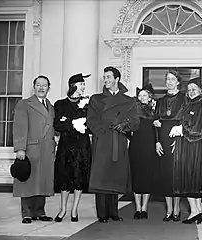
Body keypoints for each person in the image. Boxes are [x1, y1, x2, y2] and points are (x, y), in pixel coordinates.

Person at [87, 66, 140, 223]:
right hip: (103, 140)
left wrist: (124, 126)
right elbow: (91, 119)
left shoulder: (129, 100)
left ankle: (113, 212)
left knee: (115, 176)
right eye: (105, 77)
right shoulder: (96, 99)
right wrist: (102, 132)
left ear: (117, 79)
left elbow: (135, 121)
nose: (106, 80)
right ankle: (102, 213)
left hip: (119, 139)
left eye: (109, 77)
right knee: (102, 176)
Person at [12, 75, 55, 224]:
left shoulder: (51, 106)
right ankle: (27, 213)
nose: (41, 88)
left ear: (49, 88)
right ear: (34, 87)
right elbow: (19, 127)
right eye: (38, 85)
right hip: (31, 149)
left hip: (46, 150)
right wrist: (20, 148)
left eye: (44, 85)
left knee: (42, 181)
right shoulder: (24, 104)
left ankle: (40, 211)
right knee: (27, 181)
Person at [170, 77, 202, 224]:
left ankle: (195, 211)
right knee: (191, 180)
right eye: (189, 90)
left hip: (195, 146)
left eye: (194, 89)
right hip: (187, 145)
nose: (191, 91)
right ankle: (197, 210)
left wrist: (182, 130)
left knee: (191, 179)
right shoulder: (190, 104)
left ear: (201, 90)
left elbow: (198, 129)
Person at [53, 73, 92, 222]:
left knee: (79, 178)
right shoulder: (60, 104)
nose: (83, 87)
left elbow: (91, 125)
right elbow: (58, 125)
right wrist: (72, 124)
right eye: (81, 84)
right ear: (73, 85)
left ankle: (74, 210)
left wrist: (81, 124)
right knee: (65, 178)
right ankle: (63, 209)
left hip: (82, 146)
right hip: (66, 146)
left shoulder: (87, 104)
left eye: (84, 84)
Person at [154, 69, 187, 222]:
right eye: (167, 79)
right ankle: (169, 209)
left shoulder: (184, 98)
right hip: (163, 140)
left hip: (178, 138)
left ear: (178, 82)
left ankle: (177, 208)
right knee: (166, 175)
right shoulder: (160, 101)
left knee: (177, 175)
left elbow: (187, 120)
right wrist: (157, 141)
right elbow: (155, 123)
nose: (169, 82)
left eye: (172, 79)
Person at [128, 83, 158, 220]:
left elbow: (158, 129)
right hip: (136, 146)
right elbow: (127, 128)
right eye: (140, 95)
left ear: (149, 97)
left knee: (147, 176)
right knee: (136, 175)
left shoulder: (155, 111)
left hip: (150, 146)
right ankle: (137, 208)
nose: (142, 97)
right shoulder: (133, 111)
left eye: (144, 95)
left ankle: (144, 208)